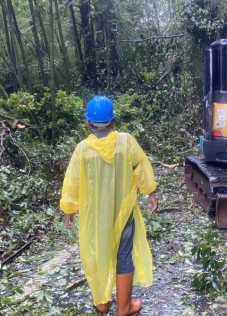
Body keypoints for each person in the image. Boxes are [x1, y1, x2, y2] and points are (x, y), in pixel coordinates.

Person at [60, 96, 158, 315]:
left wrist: (69, 209)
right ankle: (123, 307)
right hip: (123, 215)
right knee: (123, 256)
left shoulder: (82, 150)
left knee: (96, 253)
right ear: (113, 121)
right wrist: (150, 192)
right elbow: (140, 166)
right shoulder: (126, 142)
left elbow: (72, 182)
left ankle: (102, 302)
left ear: (89, 123)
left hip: (94, 217)